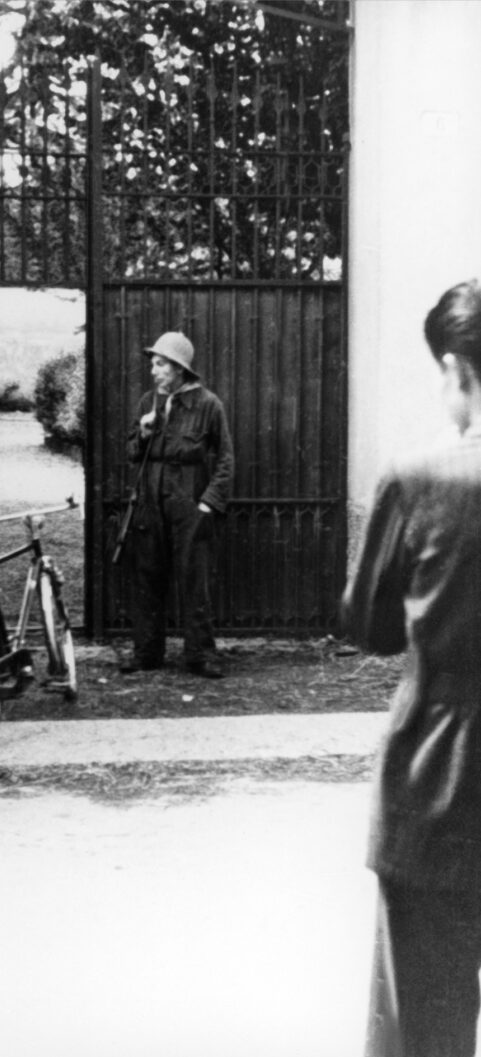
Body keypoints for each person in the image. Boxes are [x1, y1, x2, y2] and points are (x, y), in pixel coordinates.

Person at [342, 279, 481, 1057]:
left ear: (457, 370)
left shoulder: (415, 477)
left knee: (427, 1029)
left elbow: (369, 626)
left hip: (436, 783)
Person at [121, 331, 234, 678]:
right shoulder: (146, 403)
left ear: (179, 368)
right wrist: (142, 432)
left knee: (193, 579)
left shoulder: (208, 405)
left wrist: (207, 505)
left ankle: (200, 655)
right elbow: (130, 454)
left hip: (189, 503)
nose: (153, 371)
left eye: (160, 364)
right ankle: (147, 653)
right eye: (153, 364)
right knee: (147, 577)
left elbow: (227, 461)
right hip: (150, 502)